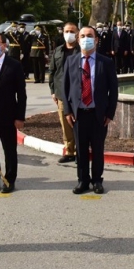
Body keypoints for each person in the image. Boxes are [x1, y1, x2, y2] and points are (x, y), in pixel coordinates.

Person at [63, 26, 118, 194]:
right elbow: (65, 88)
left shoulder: (106, 62)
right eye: (83, 36)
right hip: (78, 114)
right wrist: (67, 111)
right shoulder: (71, 61)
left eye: (90, 36)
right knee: (80, 150)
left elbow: (113, 90)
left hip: (98, 115)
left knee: (98, 149)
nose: (86, 39)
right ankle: (82, 180)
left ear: (96, 40)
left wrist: (109, 113)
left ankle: (97, 180)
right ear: (78, 40)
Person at [0, 33, 26, 194]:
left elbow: (21, 94)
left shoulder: (14, 65)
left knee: (9, 150)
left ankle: (9, 179)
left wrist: (20, 116)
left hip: (8, 117)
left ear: (4, 45)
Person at [48, 22, 80, 163]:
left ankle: (81, 151)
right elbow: (52, 72)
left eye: (72, 31)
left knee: (79, 124)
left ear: (77, 33)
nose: (69, 34)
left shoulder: (81, 51)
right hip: (61, 94)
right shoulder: (58, 51)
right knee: (65, 125)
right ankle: (69, 151)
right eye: (67, 31)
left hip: (79, 95)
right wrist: (53, 91)